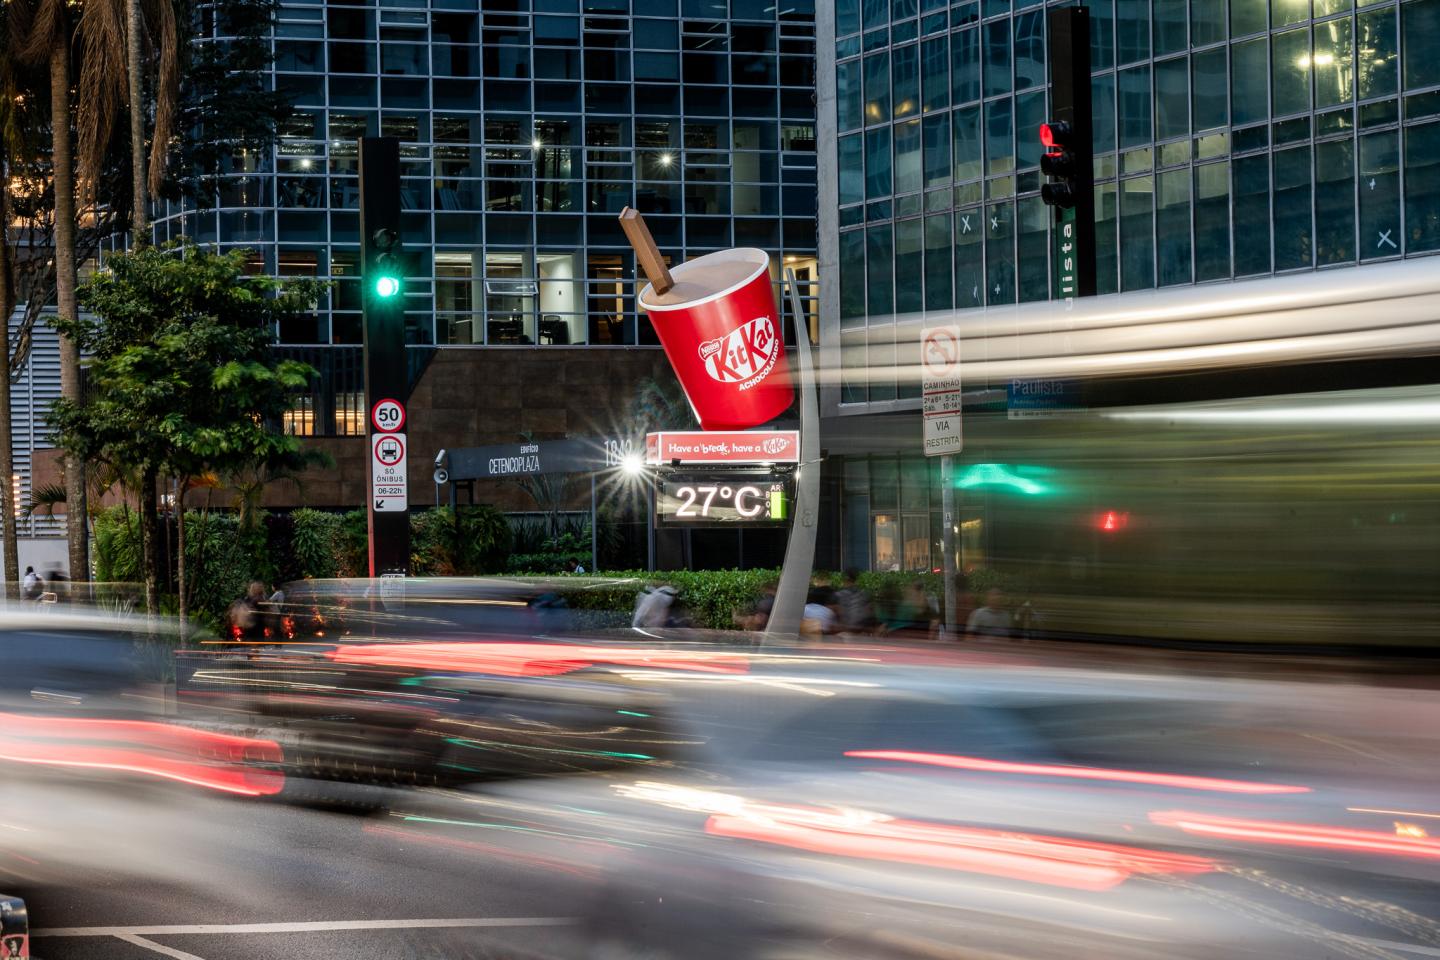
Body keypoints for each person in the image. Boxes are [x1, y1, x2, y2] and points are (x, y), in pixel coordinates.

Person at [832, 568, 874, 634]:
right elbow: (869, 612)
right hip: (861, 631)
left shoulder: (838, 595)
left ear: (845, 579)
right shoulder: (864, 594)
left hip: (845, 631)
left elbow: (836, 614)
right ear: (856, 579)